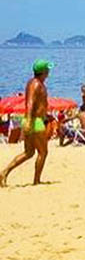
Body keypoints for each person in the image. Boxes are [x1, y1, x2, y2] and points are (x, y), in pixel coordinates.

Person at [1, 59, 52, 187]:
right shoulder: (35, 84)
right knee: (43, 152)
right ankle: (36, 180)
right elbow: (30, 102)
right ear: (43, 71)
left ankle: (4, 173)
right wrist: (29, 120)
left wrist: (45, 114)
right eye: (47, 70)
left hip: (34, 120)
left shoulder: (36, 83)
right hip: (34, 121)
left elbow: (39, 104)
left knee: (29, 153)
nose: (49, 72)